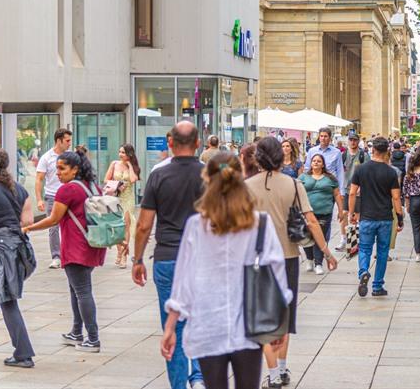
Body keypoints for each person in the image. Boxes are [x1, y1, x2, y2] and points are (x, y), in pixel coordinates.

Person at [160, 152, 291, 389]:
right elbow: (277, 273)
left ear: (207, 180)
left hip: (208, 322)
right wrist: (279, 319)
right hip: (250, 324)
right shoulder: (259, 223)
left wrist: (171, 326)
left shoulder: (196, 226)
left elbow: (184, 279)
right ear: (240, 178)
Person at [245, 137, 338, 388]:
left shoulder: (246, 186)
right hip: (287, 258)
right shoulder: (294, 184)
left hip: (257, 260)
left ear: (258, 157)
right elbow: (311, 221)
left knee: (264, 319)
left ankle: (273, 374)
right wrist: (327, 253)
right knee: (284, 317)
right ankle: (283, 369)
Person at [132, 122, 205, 389]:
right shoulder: (211, 175)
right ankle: (199, 376)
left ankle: (178, 384)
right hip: (202, 258)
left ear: (170, 144)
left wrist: (138, 259)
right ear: (198, 143)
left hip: (168, 257)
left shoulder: (158, 175)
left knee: (172, 325)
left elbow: (144, 224)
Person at [24, 147, 106, 353]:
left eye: (62, 169)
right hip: (93, 244)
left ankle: (93, 339)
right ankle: (76, 332)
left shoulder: (68, 189)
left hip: (76, 247)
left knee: (83, 292)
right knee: (76, 290)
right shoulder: (93, 186)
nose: (58, 173)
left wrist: (27, 228)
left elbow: (53, 219)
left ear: (75, 169)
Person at [0, 148, 36, 368]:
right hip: (17, 249)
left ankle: (24, 354)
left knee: (4, 301)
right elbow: (27, 222)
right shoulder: (18, 189)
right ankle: (23, 352)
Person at [348, 137, 403, 298]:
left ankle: (363, 272)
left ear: (372, 150)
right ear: (387, 151)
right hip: (385, 217)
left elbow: (352, 193)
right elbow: (396, 197)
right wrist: (399, 217)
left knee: (364, 248)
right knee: (382, 251)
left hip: (366, 216)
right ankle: (378, 285)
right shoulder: (391, 172)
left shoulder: (361, 169)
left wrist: (351, 213)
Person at [299, 154, 343, 275]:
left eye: (319, 161)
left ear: (323, 164)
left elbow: (337, 194)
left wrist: (340, 210)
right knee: (306, 237)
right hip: (307, 212)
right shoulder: (303, 177)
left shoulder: (330, 178)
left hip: (324, 213)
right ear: (311, 163)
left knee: (320, 238)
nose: (316, 163)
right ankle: (309, 259)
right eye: (314, 161)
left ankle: (318, 263)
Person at [34, 127, 72, 269]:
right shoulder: (46, 157)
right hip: (52, 196)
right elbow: (39, 179)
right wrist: (39, 199)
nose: (69, 143)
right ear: (59, 140)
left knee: (69, 226)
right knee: (53, 227)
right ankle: (56, 257)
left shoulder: (70, 156)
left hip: (69, 196)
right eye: (67, 141)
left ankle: (68, 254)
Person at [104, 143, 140, 269]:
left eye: (123, 152)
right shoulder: (114, 164)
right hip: (115, 197)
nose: (120, 154)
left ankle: (124, 255)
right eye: (120, 152)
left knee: (126, 225)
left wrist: (129, 165)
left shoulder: (132, 165)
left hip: (127, 199)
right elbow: (106, 179)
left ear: (129, 154)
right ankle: (119, 251)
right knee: (116, 226)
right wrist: (118, 184)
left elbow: (133, 179)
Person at [338, 132, 365, 251]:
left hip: (358, 190)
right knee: (344, 214)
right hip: (346, 189)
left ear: (358, 141)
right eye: (351, 140)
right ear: (348, 141)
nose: (353, 142)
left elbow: (367, 172)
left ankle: (355, 241)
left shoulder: (363, 155)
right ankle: (343, 239)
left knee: (357, 216)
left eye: (355, 140)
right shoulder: (343, 155)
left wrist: (362, 187)